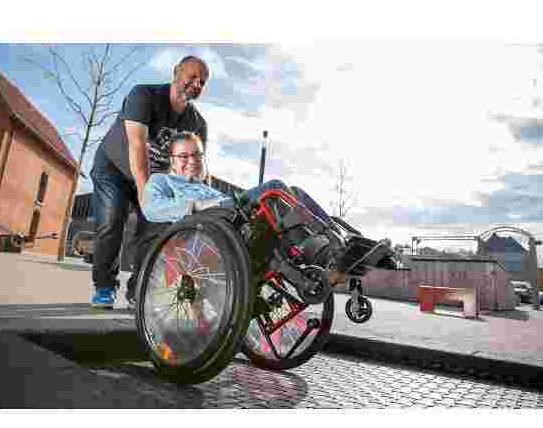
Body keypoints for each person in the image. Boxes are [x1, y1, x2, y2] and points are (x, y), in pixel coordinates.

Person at [141, 129, 397, 287]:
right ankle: (331, 255)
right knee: (275, 188)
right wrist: (193, 205)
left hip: (235, 222)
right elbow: (151, 209)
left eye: (196, 155)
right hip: (210, 230)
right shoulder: (161, 181)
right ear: (172, 161)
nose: (191, 161)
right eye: (184, 156)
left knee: (293, 194)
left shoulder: (210, 188)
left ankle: (339, 247)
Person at [90, 56, 210, 309]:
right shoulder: (144, 95)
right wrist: (146, 195)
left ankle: (139, 290)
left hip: (154, 177)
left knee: (156, 230)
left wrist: (198, 201)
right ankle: (104, 286)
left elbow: (195, 167)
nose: (196, 83)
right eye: (192, 76)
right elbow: (137, 145)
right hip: (115, 168)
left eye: (203, 81)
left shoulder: (198, 124)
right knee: (112, 221)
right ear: (176, 71)